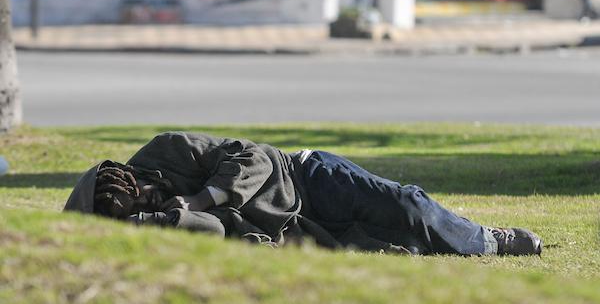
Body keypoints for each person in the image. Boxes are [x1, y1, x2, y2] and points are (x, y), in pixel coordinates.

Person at [64, 131, 542, 256]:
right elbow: (212, 234)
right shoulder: (158, 227)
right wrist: (163, 221)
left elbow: (249, 156)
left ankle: (490, 240)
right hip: (300, 229)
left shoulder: (165, 150)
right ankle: (462, 245)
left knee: (407, 205)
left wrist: (201, 198)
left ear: (129, 176)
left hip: (306, 177)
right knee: (398, 239)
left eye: (143, 194)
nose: (149, 200)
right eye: (139, 210)